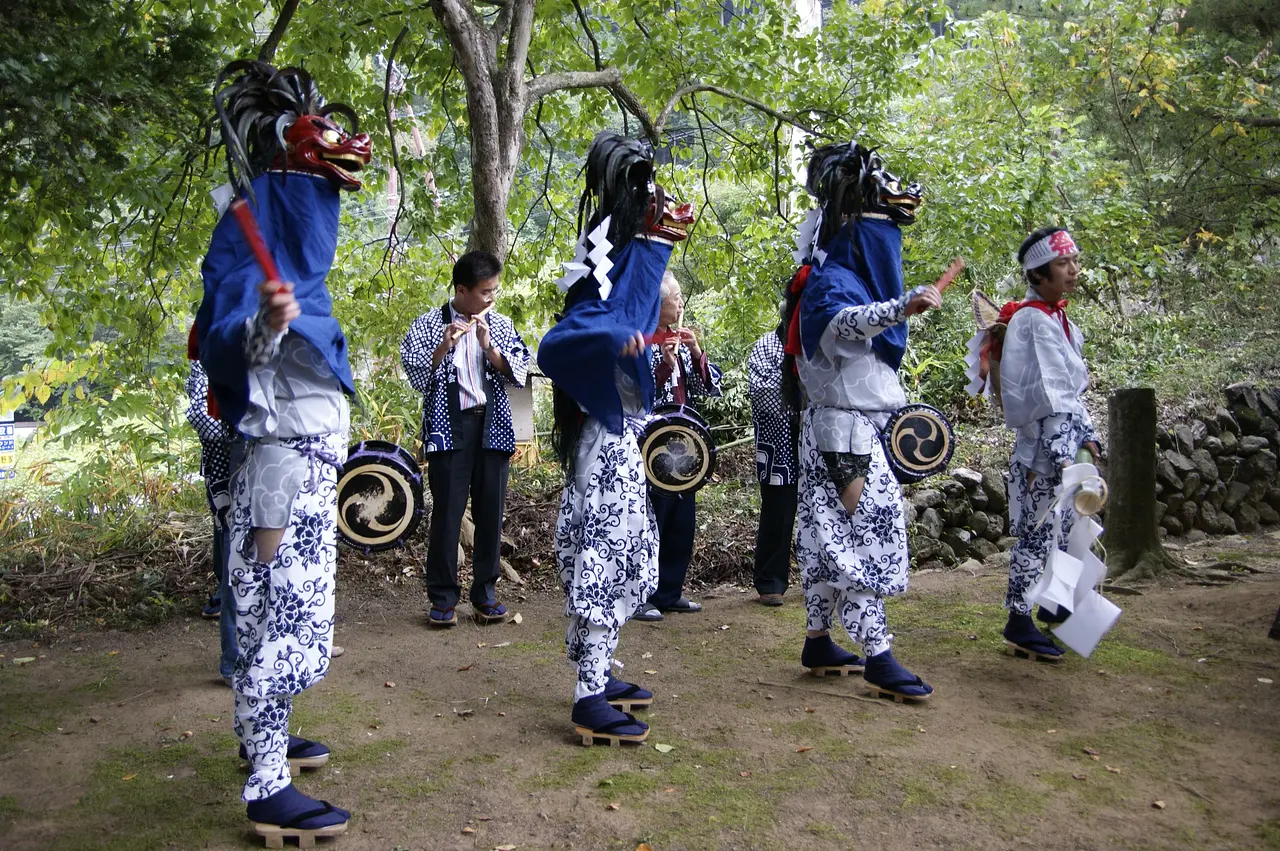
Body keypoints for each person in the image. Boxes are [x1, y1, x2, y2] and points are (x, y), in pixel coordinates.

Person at [196, 61, 371, 845]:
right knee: (288, 620)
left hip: (295, 463)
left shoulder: (298, 261)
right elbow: (234, 353)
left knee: (273, 610)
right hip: (282, 464)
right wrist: (268, 321)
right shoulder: (256, 249)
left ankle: (260, 739)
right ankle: (268, 781)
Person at [539, 131, 693, 745]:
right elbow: (557, 345)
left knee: (620, 549)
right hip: (602, 443)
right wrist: (609, 341)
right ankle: (587, 694)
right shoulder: (594, 298)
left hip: (615, 439)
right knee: (604, 553)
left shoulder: (612, 292)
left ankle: (598, 676)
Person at [783, 142, 937, 703]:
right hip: (843, 431)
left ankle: (819, 639)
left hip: (842, 427)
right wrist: (899, 308)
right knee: (866, 534)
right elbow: (844, 326)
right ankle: (878, 654)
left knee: (828, 537)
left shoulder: (834, 275)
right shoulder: (833, 283)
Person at [974, 227, 1103, 661]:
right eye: (1063, 263)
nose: (1073, 269)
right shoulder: (1032, 320)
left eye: (1074, 261)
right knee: (1037, 535)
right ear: (1038, 273)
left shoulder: (1055, 317)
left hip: (1065, 441)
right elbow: (1049, 396)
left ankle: (1054, 607)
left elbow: (1070, 393)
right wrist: (1068, 455)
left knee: (1068, 533)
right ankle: (1019, 618)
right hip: (1044, 450)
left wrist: (1089, 438)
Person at [401, 250, 531, 628]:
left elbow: (519, 373)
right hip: (448, 426)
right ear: (461, 289)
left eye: (495, 290)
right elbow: (416, 378)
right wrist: (444, 346)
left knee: (491, 512)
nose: (491, 298)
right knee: (447, 513)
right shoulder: (427, 324)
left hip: (492, 424)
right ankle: (442, 598)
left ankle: (485, 596)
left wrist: (490, 347)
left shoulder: (501, 324)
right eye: (485, 291)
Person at [633, 272, 723, 622]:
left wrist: (695, 352)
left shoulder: (681, 340)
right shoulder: (640, 343)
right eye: (676, 298)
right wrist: (663, 368)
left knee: (682, 521)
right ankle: (642, 593)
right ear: (658, 304)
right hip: (650, 444)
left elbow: (710, 389)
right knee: (651, 519)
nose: (681, 303)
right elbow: (635, 397)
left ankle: (669, 591)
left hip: (685, 444)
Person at [184, 357, 239, 683]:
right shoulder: (211, 347)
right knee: (235, 559)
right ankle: (234, 661)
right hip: (225, 470)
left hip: (267, 468)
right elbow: (199, 413)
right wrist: (246, 428)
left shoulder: (275, 339)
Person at [747, 320, 798, 606]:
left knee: (824, 509)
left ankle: (828, 577)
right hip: (779, 443)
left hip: (819, 436)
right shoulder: (766, 346)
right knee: (778, 512)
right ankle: (770, 582)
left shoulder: (818, 341)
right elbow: (764, 396)